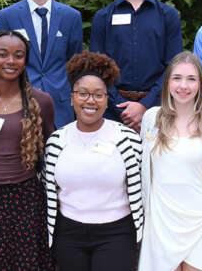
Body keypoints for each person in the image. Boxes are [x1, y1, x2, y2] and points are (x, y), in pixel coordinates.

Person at [43, 50, 144, 271]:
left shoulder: (128, 140)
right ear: (72, 98)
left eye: (98, 95)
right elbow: (48, 190)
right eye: (83, 94)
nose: (90, 100)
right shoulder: (56, 142)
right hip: (68, 234)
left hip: (117, 234)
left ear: (107, 100)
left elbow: (142, 187)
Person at [137, 51, 202, 271]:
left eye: (191, 79)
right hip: (160, 219)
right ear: (167, 82)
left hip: (199, 218)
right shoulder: (151, 118)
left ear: (201, 84)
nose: (183, 86)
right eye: (177, 78)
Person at [0, 30, 56, 270]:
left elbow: (52, 148)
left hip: (26, 197)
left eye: (19, 55)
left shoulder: (42, 101)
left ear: (25, 61)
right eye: (3, 54)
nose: (11, 61)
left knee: (26, 263)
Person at [90, 0, 183, 132]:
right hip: (112, 112)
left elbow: (174, 67)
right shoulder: (102, 18)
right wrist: (121, 108)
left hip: (158, 110)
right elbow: (97, 69)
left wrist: (145, 106)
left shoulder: (168, 16)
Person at [0, 0, 84, 129]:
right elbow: (1, 68)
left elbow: (76, 67)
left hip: (61, 111)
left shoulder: (71, 17)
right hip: (19, 108)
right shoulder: (7, 16)